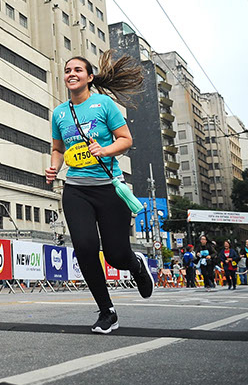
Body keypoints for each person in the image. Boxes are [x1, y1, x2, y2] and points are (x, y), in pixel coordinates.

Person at [45, 51, 154, 334]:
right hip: (76, 189)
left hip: (108, 188)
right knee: (85, 248)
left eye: (78, 70)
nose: (72, 73)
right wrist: (54, 168)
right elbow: (58, 149)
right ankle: (107, 312)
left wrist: (104, 150)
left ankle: (136, 265)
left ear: (89, 77)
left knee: (116, 255)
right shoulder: (59, 113)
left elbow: (126, 139)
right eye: (68, 69)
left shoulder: (103, 104)